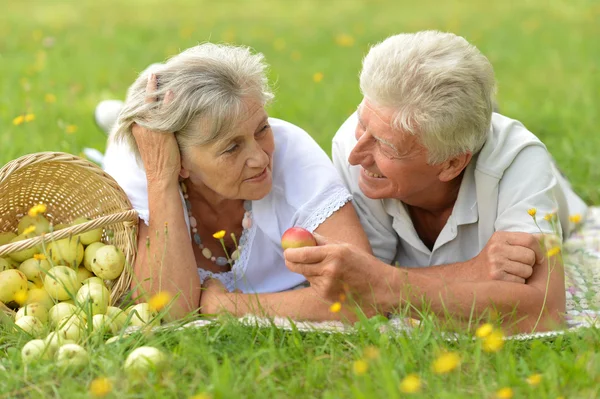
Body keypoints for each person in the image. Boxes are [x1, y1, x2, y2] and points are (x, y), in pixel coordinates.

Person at [284, 31, 588, 333]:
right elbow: (354, 294)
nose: (355, 156)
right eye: (362, 123)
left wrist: (386, 284)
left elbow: (544, 312)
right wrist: (474, 271)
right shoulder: (352, 146)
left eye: (387, 146)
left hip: (550, 193)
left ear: (453, 163)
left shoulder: (518, 160)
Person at [100, 43, 371, 320]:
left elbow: (363, 295)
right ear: (180, 162)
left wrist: (223, 306)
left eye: (262, 128)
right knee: (123, 142)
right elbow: (167, 309)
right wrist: (162, 180)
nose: (260, 159)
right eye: (232, 147)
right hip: (142, 160)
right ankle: (117, 119)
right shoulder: (146, 170)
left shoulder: (292, 151)